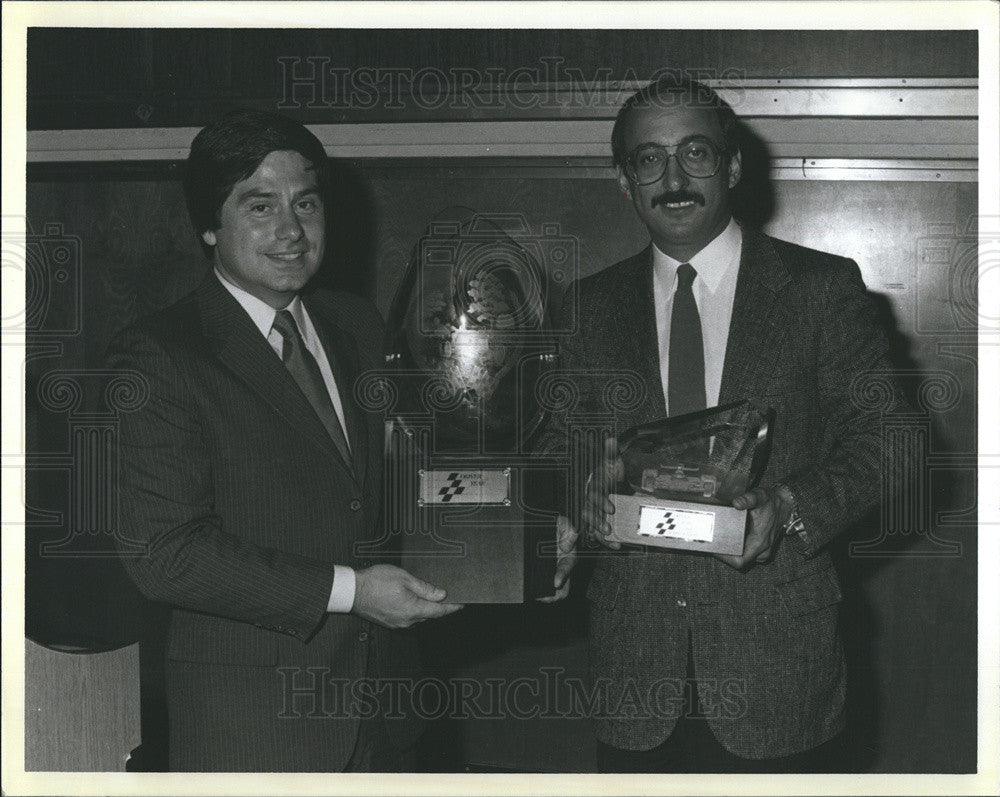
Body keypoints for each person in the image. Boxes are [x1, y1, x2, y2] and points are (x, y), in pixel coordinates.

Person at [546, 76, 903, 772]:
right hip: (634, 681)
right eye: (648, 159)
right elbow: (559, 446)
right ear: (624, 181)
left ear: (734, 166)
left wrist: (791, 507)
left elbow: (893, 441)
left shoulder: (819, 291)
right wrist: (575, 487)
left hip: (780, 679)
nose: (673, 178)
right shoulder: (584, 307)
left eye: (696, 154)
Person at [106, 110, 464, 772]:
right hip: (258, 733)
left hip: (392, 725)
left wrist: (517, 549)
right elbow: (166, 553)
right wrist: (353, 591)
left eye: (306, 202)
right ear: (209, 225)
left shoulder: (357, 325)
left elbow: (407, 485)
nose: (292, 230)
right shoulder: (159, 356)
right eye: (260, 205)